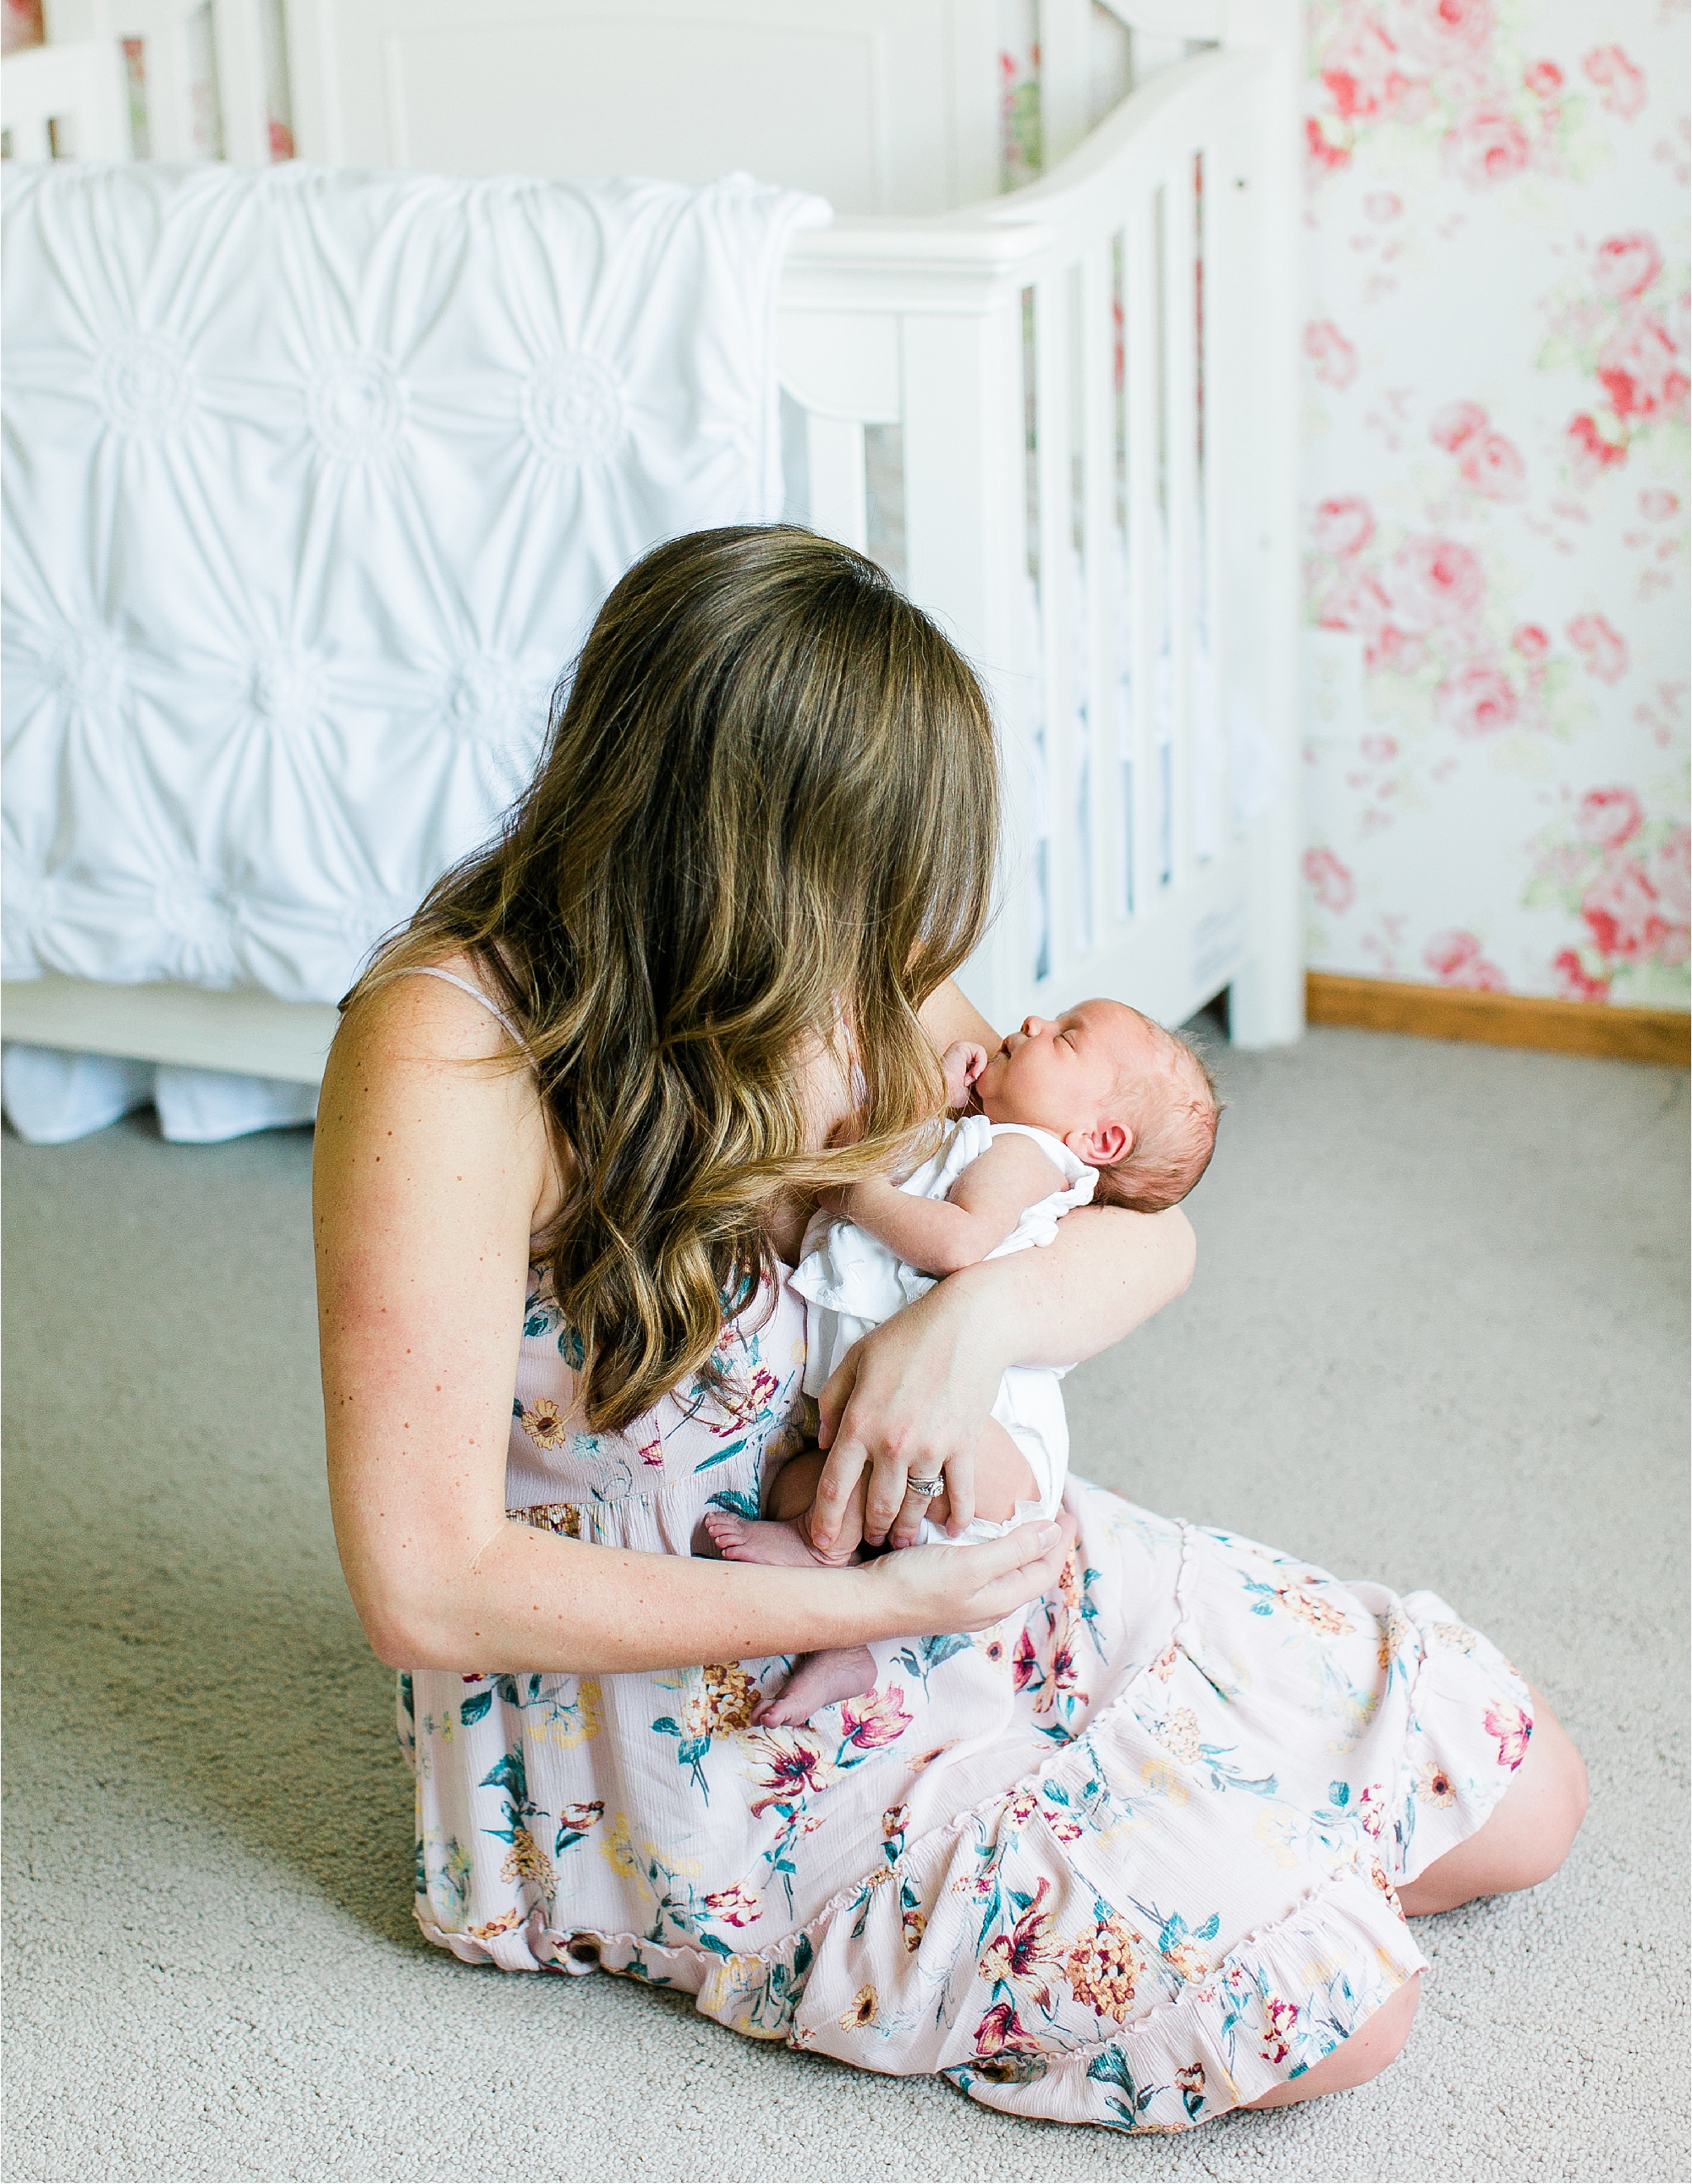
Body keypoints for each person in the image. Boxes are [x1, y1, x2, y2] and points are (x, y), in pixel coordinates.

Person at [315, 525, 1586, 2134]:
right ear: (743, 838)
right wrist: (889, 1596)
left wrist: (972, 1326)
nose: (911, 926)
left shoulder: (846, 952)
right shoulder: (448, 1049)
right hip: (708, 1700)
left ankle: (1139, 1791)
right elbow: (427, 1582)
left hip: (941, 1567)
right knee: (1344, 2008)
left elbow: (1146, 1233)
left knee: (1524, 1790)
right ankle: (1101, 1822)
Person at [705, 999, 1220, 1726]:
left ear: (1097, 1137)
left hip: (991, 1436)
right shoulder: (985, 1131)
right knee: (805, 1482)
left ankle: (826, 1566)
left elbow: (957, 1241)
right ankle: (848, 1635)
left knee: (846, 1484)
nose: (1036, 1022)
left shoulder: (1025, 1155)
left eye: (1067, 1038)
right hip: (921, 1425)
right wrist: (939, 1094)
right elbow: (901, 1150)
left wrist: (855, 1192)